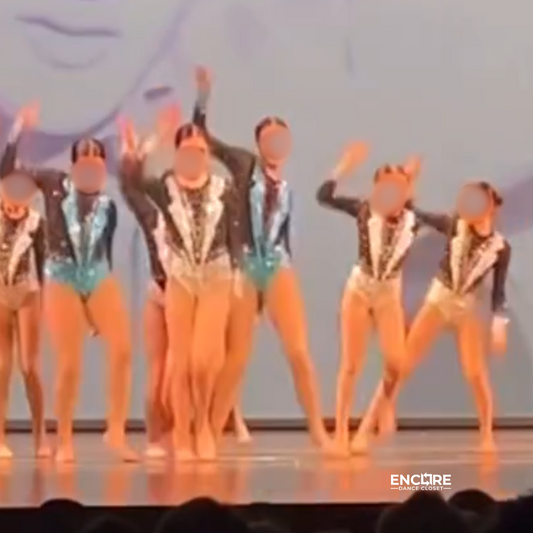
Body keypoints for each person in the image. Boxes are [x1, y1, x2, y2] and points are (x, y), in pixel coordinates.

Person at [192, 66, 332, 452]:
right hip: (245, 266)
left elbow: (284, 232)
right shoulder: (244, 165)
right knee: (236, 357)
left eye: (281, 138)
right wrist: (202, 98)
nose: (275, 143)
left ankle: (319, 430)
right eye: (269, 138)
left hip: (276, 264)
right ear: (258, 143)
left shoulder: (285, 187)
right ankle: (210, 432)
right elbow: (203, 138)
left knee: (299, 352)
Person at [4, 105, 135, 463]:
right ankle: (63, 439)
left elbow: (105, 250)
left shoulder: (107, 205)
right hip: (61, 275)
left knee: (123, 348)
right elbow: (8, 173)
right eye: (85, 161)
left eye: (98, 162)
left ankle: (116, 431)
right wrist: (17, 132)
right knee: (69, 363)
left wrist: (97, 312)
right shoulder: (53, 184)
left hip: (97, 273)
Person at [120, 121, 241, 460]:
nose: (194, 157)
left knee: (204, 362)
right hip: (181, 277)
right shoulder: (165, 187)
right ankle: (184, 436)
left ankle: (204, 424)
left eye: (200, 151)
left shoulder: (224, 189)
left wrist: (239, 276)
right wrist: (140, 150)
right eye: (187, 151)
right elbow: (131, 184)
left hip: (216, 274)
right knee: (182, 363)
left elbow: (235, 233)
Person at [358, 181, 510, 452]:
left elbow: (499, 291)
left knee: (476, 373)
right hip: (440, 299)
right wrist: (405, 195)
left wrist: (499, 323)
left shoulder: (500, 247)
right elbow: (419, 214)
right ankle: (368, 425)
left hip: (467, 307)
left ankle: (487, 434)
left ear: (491, 208)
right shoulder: (454, 225)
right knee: (402, 363)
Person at [316, 144, 440, 453]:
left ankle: (367, 426)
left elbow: (452, 225)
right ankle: (341, 432)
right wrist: (343, 167)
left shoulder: (414, 219)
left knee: (396, 366)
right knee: (351, 365)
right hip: (359, 289)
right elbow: (324, 197)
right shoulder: (363, 210)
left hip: (388, 295)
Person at [0, 109, 49, 459]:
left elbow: (43, 265)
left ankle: (39, 434)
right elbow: (6, 160)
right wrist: (18, 128)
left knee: (29, 366)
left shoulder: (36, 221)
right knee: (1, 368)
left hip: (28, 293)